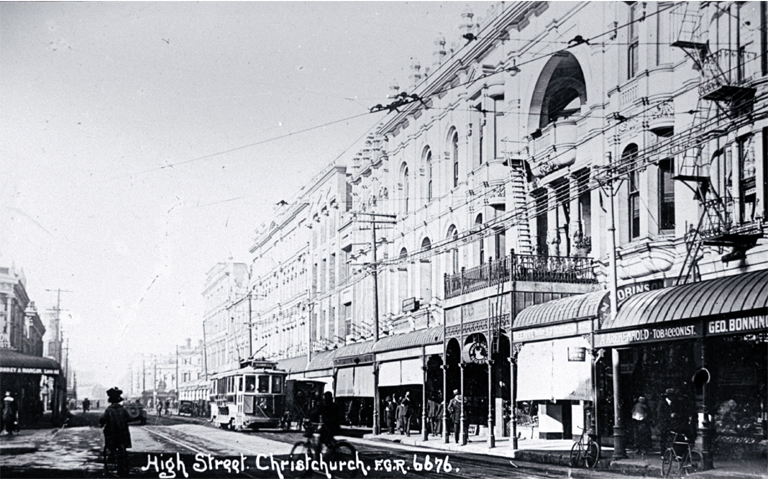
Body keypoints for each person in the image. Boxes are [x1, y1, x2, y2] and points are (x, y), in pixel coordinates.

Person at [100, 387, 133, 477]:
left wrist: (102, 423)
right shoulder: (123, 409)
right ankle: (123, 466)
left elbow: (102, 419)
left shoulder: (109, 410)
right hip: (122, 433)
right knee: (122, 448)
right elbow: (130, 418)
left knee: (111, 447)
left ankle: (112, 456)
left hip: (112, 433)